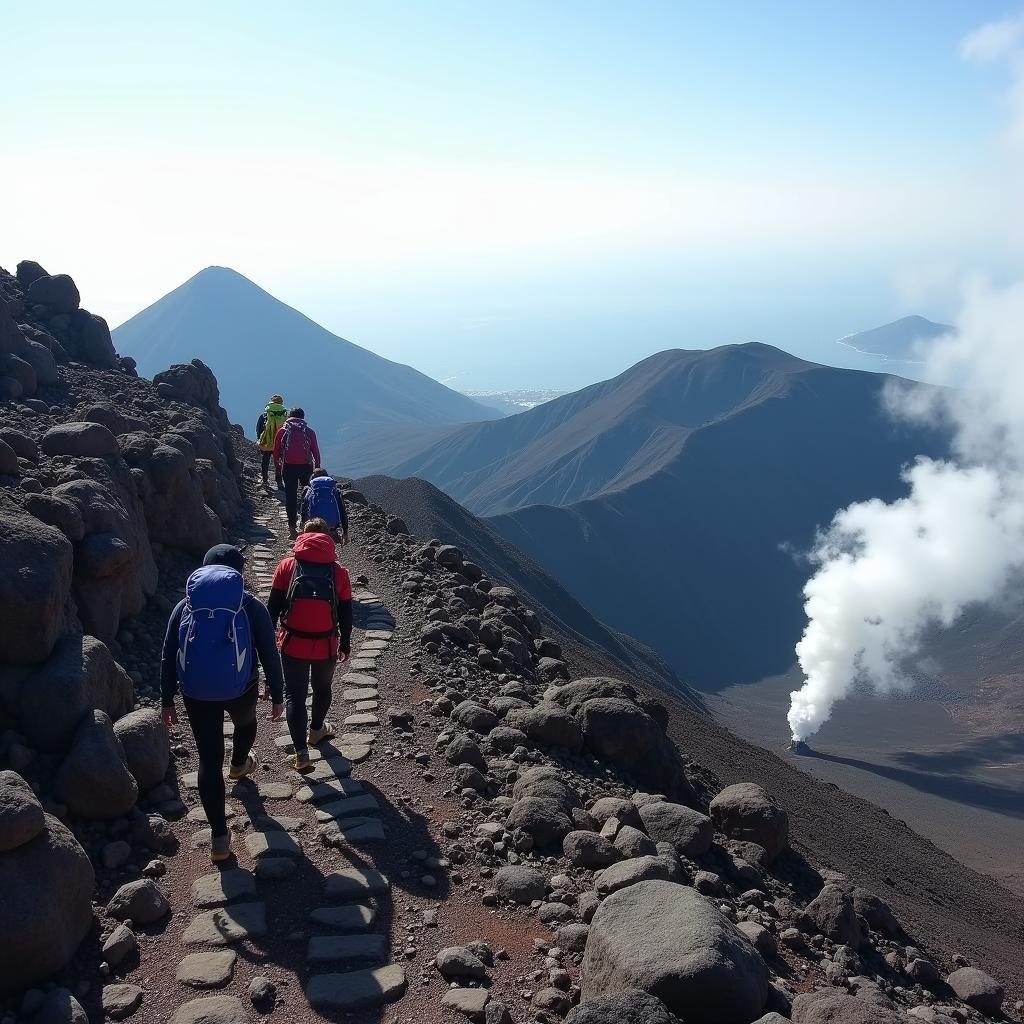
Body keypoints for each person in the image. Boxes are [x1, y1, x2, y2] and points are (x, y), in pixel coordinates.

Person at [160, 544, 284, 863]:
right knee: (245, 724)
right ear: (238, 573)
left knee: (208, 760)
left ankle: (219, 838)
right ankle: (240, 762)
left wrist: (166, 700)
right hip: (241, 687)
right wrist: (277, 693)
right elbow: (269, 652)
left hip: (196, 692)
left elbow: (168, 653)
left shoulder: (185, 606)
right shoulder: (250, 607)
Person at [266, 519, 352, 771]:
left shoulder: (287, 566)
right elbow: (346, 613)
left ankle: (301, 753)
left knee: (295, 695)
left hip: (293, 643)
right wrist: (345, 643)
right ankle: (316, 730)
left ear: (302, 537)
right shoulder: (339, 572)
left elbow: (272, 608)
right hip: (326, 643)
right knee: (323, 688)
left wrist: (269, 640)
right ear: (327, 539)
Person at [273, 407, 321, 539]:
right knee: (307, 496)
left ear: (289, 416)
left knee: (291, 497)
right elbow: (315, 451)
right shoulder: (309, 432)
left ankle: (292, 529)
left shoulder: (282, 431)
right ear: (303, 417)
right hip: (306, 467)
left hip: (288, 467)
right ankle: (306, 524)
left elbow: (276, 451)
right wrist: (317, 466)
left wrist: (278, 467)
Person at [299, 468, 349, 544]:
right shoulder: (334, 491)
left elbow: (304, 510)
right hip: (331, 527)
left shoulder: (309, 490)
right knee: (330, 548)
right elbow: (342, 512)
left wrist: (303, 526)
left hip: (314, 527)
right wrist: (345, 533)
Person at [255, 395, 287, 491]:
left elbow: (259, 429)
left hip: (267, 443)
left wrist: (260, 441)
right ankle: (279, 481)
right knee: (278, 462)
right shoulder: (284, 415)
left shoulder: (264, 415)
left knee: (265, 461)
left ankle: (265, 479)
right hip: (279, 444)